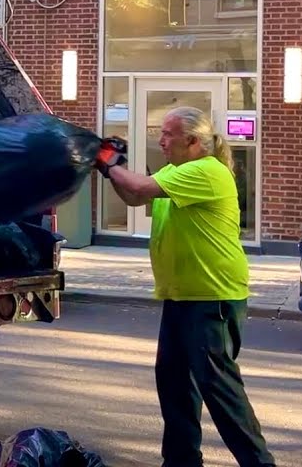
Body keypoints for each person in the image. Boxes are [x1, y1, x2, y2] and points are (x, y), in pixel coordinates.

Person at [95, 106, 275, 467]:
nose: (160, 140)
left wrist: (109, 163)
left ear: (192, 141)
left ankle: (260, 464)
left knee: (218, 388)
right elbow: (134, 197)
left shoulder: (206, 171)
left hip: (212, 297)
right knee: (174, 383)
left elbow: (139, 186)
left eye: (167, 134)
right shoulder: (175, 171)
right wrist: (111, 168)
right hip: (181, 296)